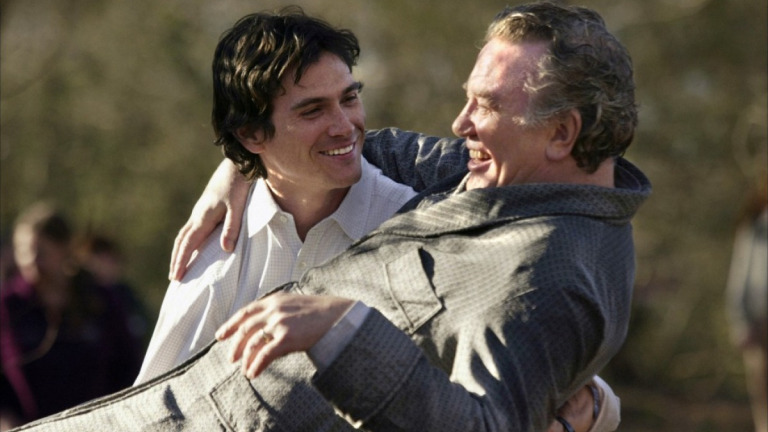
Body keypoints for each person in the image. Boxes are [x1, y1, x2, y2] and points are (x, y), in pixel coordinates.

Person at [11, 3, 646, 431]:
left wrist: (593, 407)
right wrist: (238, 167)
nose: (461, 124)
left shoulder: (517, 248)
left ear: (563, 132)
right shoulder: (217, 240)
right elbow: (159, 393)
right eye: (314, 110)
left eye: (349, 99)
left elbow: (523, 358)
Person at [0, 203, 143, 430]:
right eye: (23, 252)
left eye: (40, 253)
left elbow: (128, 365)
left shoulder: (100, 301)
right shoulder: (9, 306)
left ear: (64, 249)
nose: (30, 261)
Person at [725, 180, 767, 432]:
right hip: (760, 321)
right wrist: (741, 322)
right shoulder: (755, 226)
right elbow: (740, 276)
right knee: (763, 394)